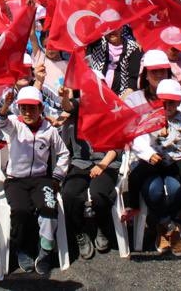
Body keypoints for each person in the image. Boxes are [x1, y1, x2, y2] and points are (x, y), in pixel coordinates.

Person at [0, 85, 70, 275]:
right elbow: (0, 123)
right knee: (21, 211)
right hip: (16, 180)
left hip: (41, 180)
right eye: (23, 108)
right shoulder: (14, 124)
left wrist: (57, 177)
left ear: (41, 108)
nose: (28, 112)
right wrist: (5, 106)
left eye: (32, 108)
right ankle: (22, 248)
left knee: (48, 208)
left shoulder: (49, 130)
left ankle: (45, 250)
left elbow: (63, 154)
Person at [132, 78, 181, 256]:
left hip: (175, 159)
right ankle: (142, 212)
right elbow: (138, 137)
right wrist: (148, 153)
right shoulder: (151, 116)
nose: (168, 106)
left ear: (178, 102)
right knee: (139, 179)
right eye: (164, 102)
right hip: (155, 159)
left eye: (172, 103)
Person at [58, 84, 119, 260]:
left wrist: (103, 165)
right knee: (69, 193)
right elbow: (68, 106)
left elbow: (117, 145)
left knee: (98, 193)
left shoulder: (111, 112)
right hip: (81, 162)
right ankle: (80, 232)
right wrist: (64, 97)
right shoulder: (78, 107)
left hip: (106, 162)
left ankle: (102, 226)